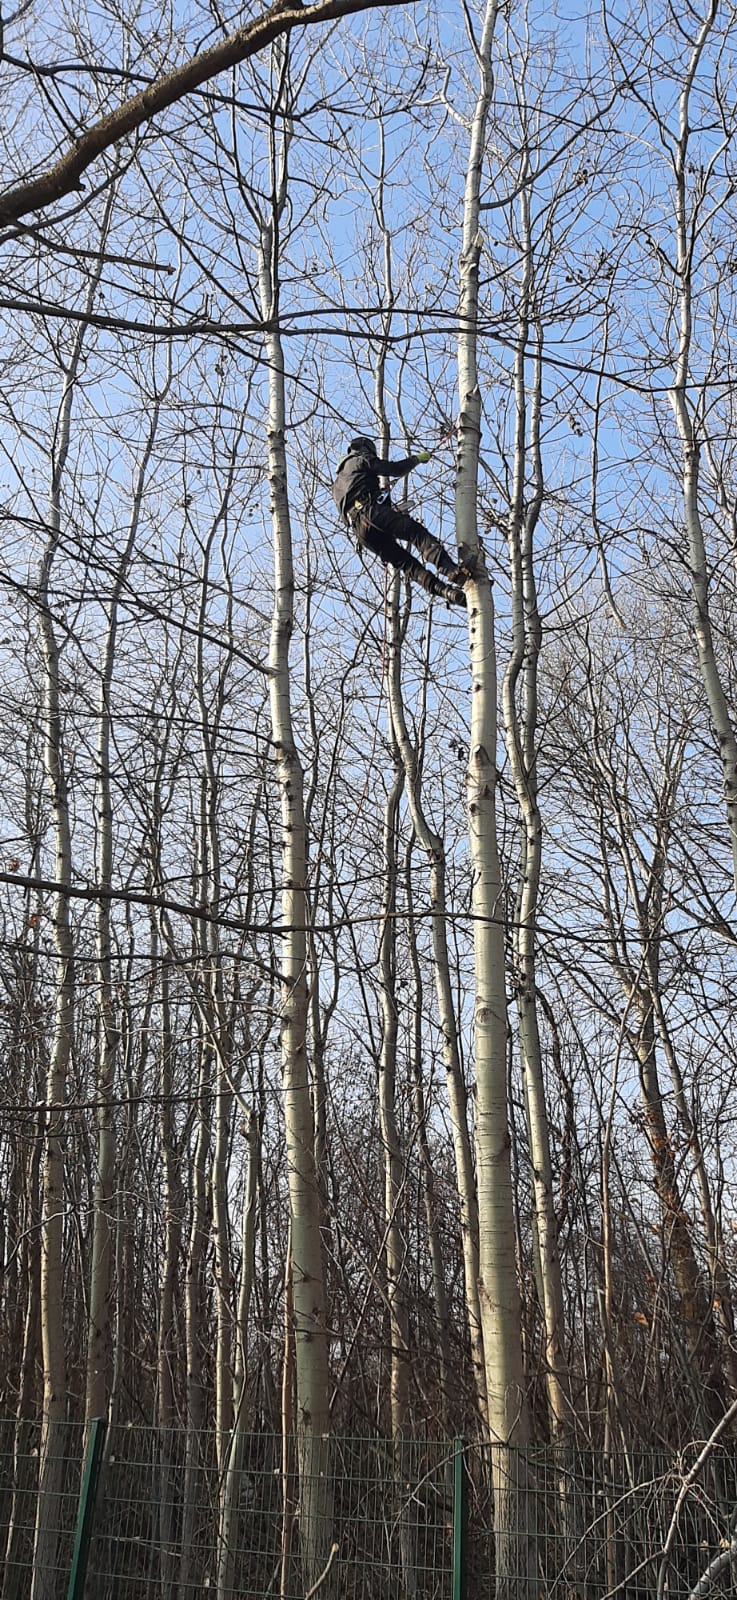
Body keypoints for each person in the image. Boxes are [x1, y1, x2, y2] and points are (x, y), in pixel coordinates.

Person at [332, 436, 471, 606]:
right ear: (363, 449)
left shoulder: (337, 484)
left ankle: (446, 592)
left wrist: (380, 496)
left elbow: (352, 507)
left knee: (405, 563)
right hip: (371, 512)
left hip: (361, 532)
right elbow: (395, 469)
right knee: (415, 532)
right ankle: (450, 569)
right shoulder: (359, 460)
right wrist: (416, 459)